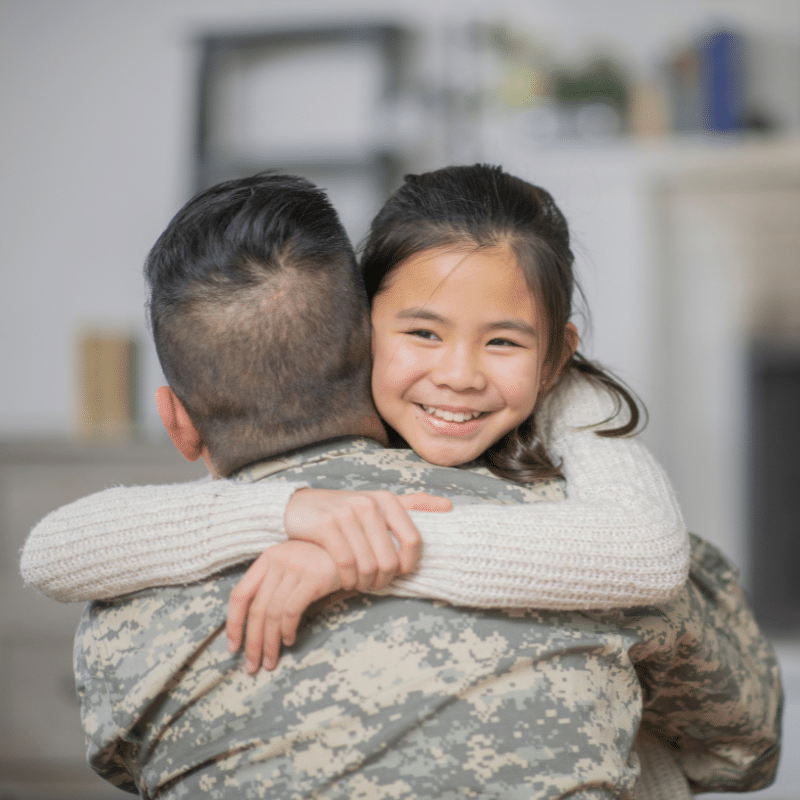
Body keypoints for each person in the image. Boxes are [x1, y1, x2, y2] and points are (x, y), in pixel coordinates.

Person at [26, 169, 779, 796]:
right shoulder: (564, 525)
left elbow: (639, 554)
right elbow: (744, 745)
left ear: (555, 358)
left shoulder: (125, 617)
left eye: (505, 342)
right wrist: (294, 514)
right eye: (423, 332)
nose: (458, 373)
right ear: (363, 332)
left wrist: (357, 549)